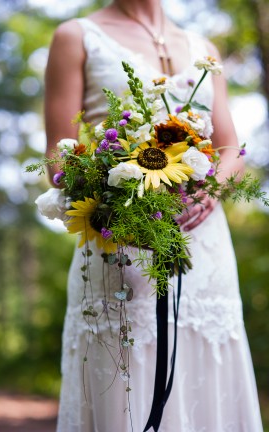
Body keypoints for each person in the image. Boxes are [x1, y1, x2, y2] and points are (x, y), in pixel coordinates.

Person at [42, 0, 263, 430]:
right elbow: (58, 156)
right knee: (128, 382)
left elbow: (230, 146)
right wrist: (124, 207)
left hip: (206, 246)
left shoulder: (204, 47)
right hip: (121, 246)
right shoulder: (76, 36)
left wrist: (210, 190)